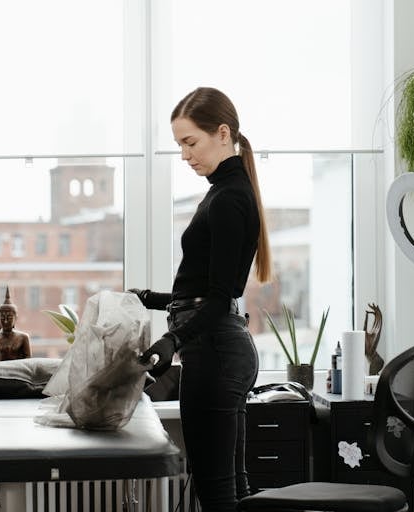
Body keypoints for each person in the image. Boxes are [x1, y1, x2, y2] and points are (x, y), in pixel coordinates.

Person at [133, 86, 272, 511]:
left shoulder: (229, 198)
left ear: (223, 133)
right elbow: (202, 293)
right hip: (219, 349)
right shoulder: (225, 191)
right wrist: (147, 299)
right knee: (231, 490)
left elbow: (215, 300)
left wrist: (171, 340)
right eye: (179, 145)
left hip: (216, 352)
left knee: (216, 494)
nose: (184, 155)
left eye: (190, 142)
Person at [0, 287, 32, 362]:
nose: (6, 321)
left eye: (9, 318)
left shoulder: (23, 337)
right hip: (0, 369)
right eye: (2, 318)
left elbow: (28, 360)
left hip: (18, 369)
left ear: (15, 318)